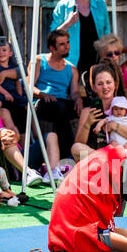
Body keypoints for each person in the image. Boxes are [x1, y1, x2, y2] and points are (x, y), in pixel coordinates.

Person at [0, 81, 62, 186]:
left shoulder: (2, 112)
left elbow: (16, 134)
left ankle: (53, 172)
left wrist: (12, 135)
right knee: (3, 139)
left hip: (18, 156)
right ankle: (27, 172)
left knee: (51, 136)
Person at [71, 59, 127, 162]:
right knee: (76, 148)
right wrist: (87, 124)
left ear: (115, 84)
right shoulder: (87, 111)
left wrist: (115, 126)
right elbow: (79, 143)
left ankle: (121, 163)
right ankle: (110, 161)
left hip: (124, 156)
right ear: (94, 88)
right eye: (100, 84)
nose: (105, 87)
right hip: (101, 160)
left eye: (108, 82)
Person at [28, 29, 83, 159]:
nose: (67, 46)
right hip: (42, 103)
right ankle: (69, 153)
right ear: (52, 48)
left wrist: (78, 99)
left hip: (62, 104)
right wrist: (43, 94)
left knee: (87, 108)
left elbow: (74, 92)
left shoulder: (72, 69)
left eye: (68, 42)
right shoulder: (39, 61)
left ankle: (83, 150)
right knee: (59, 107)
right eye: (62, 44)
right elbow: (29, 86)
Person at [50, 0, 110, 74]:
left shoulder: (100, 3)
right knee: (73, 89)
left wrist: (106, 57)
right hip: (71, 62)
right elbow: (52, 37)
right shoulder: (63, 5)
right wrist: (68, 23)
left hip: (96, 60)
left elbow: (107, 33)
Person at [0, 42, 27, 147]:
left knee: (27, 106)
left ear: (10, 53)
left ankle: (32, 132)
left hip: (14, 93)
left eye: (4, 50)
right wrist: (6, 93)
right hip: (1, 93)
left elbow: (17, 82)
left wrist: (19, 95)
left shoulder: (13, 67)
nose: (1, 53)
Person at [94, 34, 127, 106]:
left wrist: (118, 49)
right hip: (115, 107)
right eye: (109, 54)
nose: (114, 56)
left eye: (116, 53)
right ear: (102, 55)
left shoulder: (125, 68)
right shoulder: (97, 71)